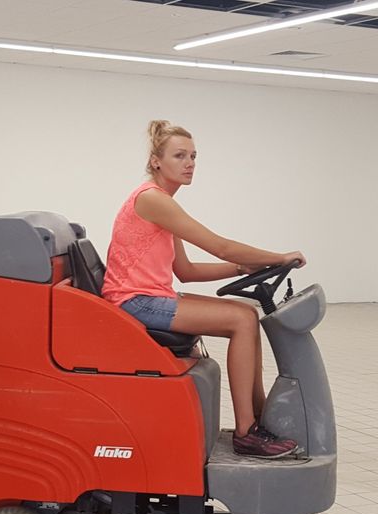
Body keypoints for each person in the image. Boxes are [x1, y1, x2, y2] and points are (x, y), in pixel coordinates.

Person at [102, 120, 306, 458]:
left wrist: (242, 268)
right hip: (136, 302)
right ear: (156, 161)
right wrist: (279, 257)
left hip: (151, 297)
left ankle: (257, 419)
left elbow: (185, 271)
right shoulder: (152, 199)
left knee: (245, 313)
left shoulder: (162, 203)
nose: (189, 163)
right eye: (179, 156)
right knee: (241, 320)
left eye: (193, 156)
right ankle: (246, 432)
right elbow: (220, 247)